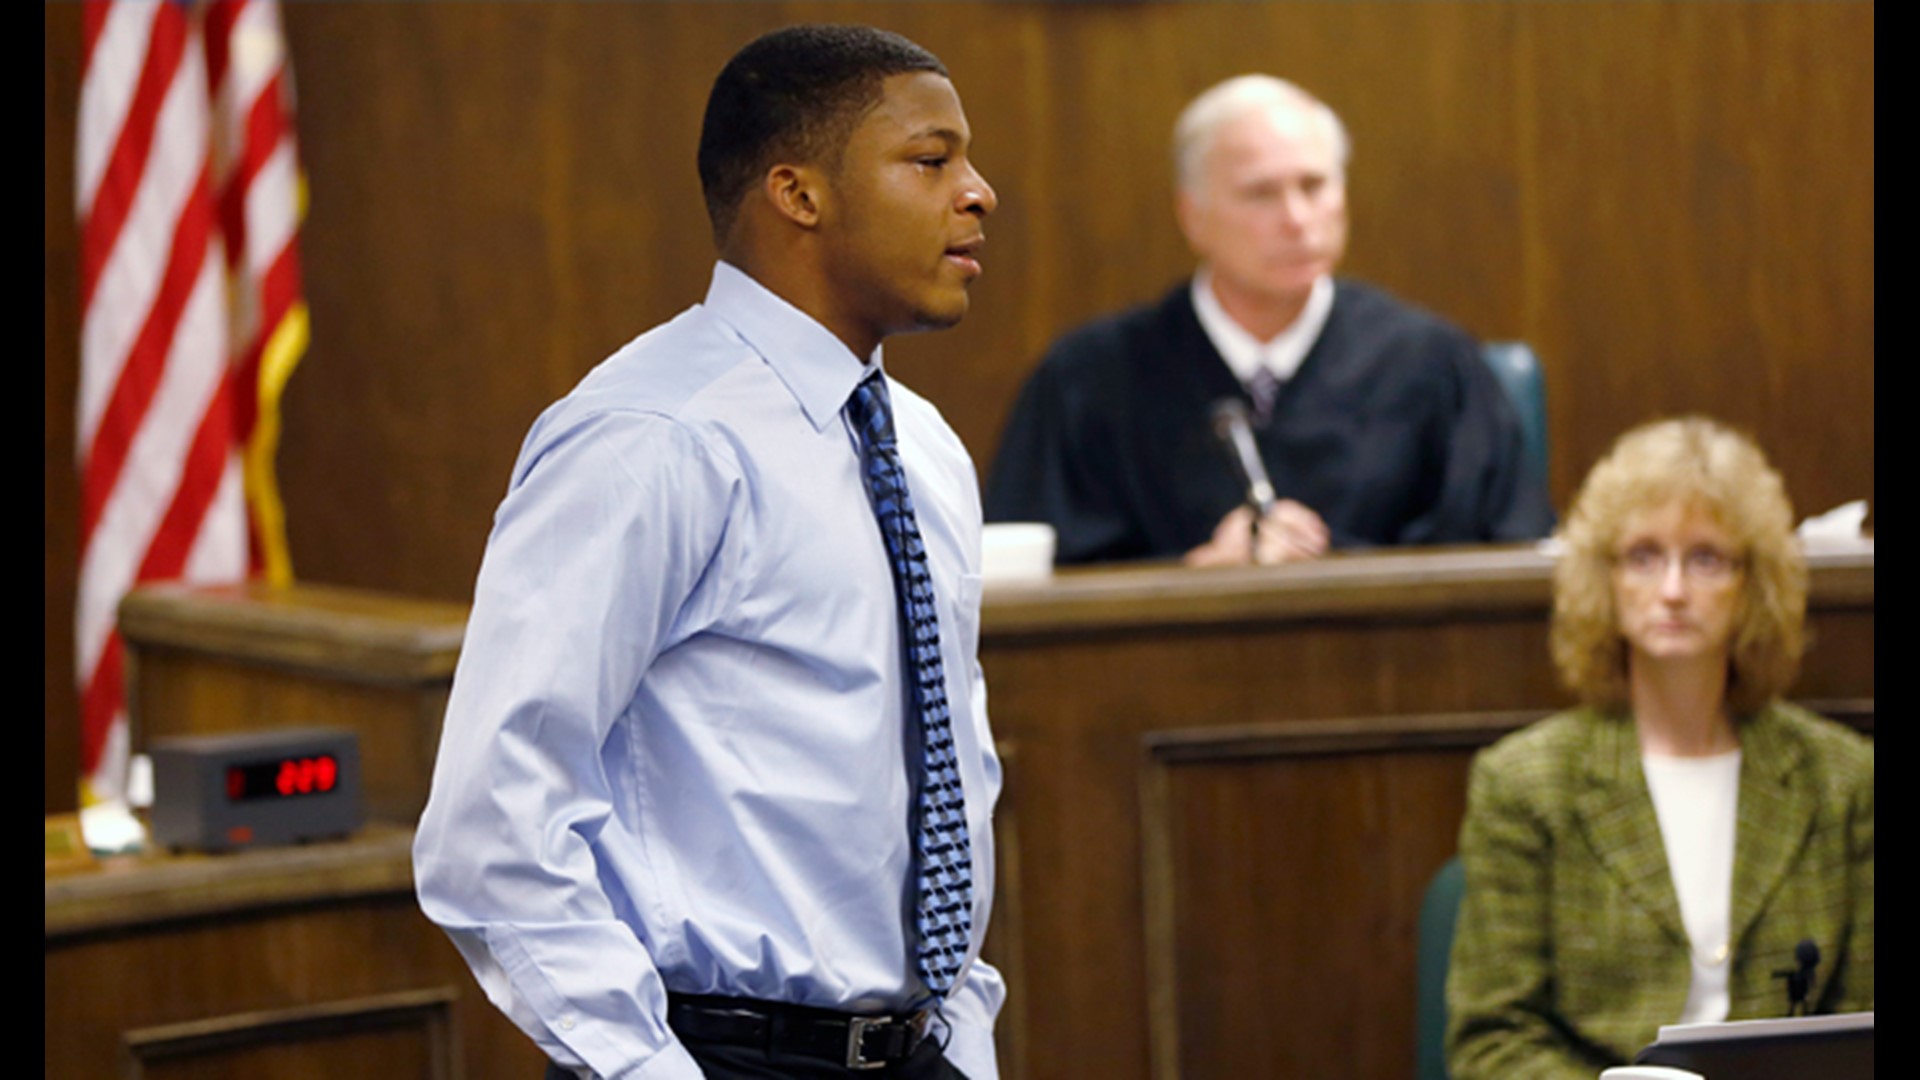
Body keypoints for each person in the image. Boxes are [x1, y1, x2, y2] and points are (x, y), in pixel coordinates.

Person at [412, 25, 1004, 1080]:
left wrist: (959, 1036)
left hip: (915, 1049)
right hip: (712, 1050)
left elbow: (952, 769)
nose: (978, 192)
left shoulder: (922, 445)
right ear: (798, 193)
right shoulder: (652, 436)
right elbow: (495, 821)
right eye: (931, 159)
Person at [1445, 417, 1874, 1079]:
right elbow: (1491, 1041)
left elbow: (1862, 1019)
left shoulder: (1841, 778)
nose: (1673, 590)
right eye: (1644, 556)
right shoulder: (1525, 782)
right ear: (1605, 577)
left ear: (1752, 583)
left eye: (1705, 559)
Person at [983, 74, 1553, 566]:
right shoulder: (1087, 381)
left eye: (1314, 185)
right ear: (1193, 215)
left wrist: (1329, 564)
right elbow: (1027, 579)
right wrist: (1188, 581)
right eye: (1260, 194)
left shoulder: (1433, 364)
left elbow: (1509, 558)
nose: (1297, 219)